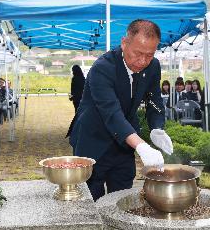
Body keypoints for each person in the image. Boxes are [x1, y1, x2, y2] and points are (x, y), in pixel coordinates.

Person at [67, 19, 173, 201]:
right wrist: (141, 145)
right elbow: (111, 113)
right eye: (138, 53)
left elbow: (154, 99)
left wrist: (157, 127)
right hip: (93, 139)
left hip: (124, 143)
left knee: (122, 196)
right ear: (124, 43)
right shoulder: (103, 68)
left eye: (149, 55)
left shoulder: (153, 66)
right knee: (91, 198)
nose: (142, 61)